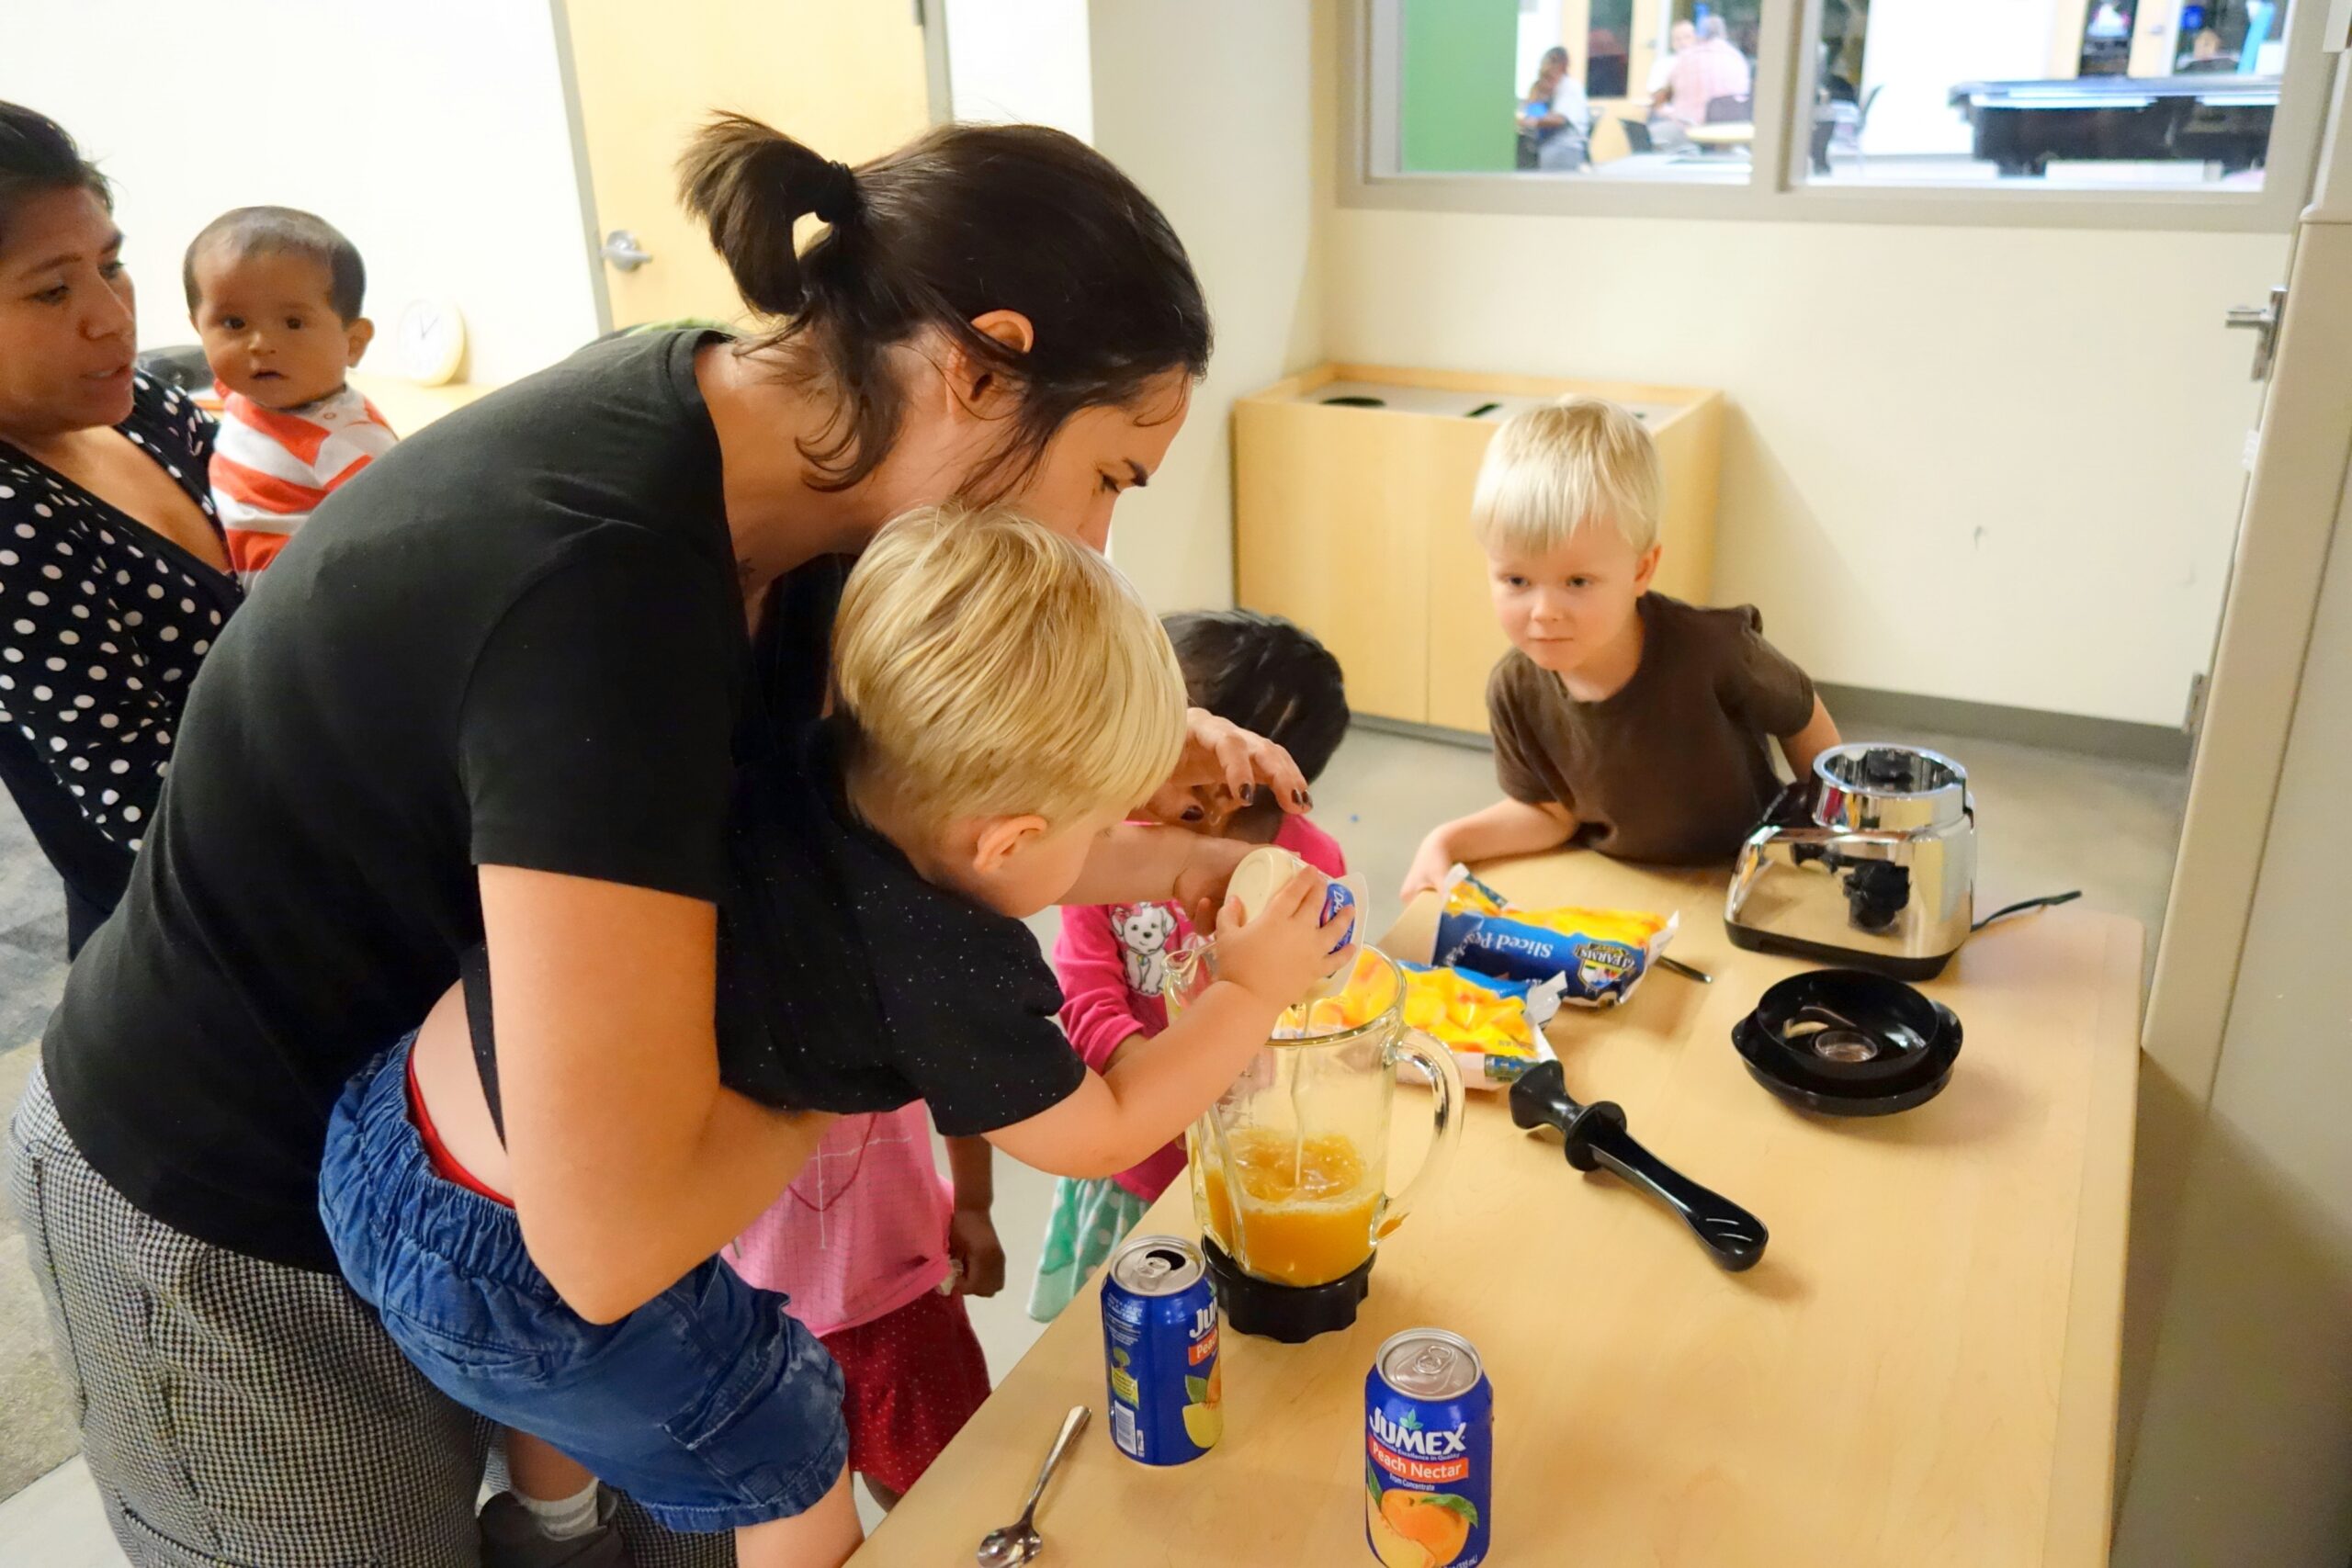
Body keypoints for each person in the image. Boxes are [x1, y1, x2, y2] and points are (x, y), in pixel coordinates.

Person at [10, 107, 1306, 1568]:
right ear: (973, 364)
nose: (1098, 547)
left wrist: (1114, 725)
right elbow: (610, 1238)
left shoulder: (768, 443)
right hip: (235, 1204)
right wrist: (887, 1032)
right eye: (1111, 478)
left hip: (471, 1139)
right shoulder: (606, 598)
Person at [321, 508, 1348, 1568]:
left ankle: (550, 1531)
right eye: (1105, 826)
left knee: (574, 1394)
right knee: (792, 1442)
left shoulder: (827, 755)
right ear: (1010, 838)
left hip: (391, 1131)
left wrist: (1180, 869)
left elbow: (1021, 858)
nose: (1120, 844)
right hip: (523, 1265)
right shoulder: (945, 961)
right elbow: (1102, 1129)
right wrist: (1249, 993)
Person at [1029, 608, 1350, 1320]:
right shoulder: (1100, 854)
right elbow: (1086, 998)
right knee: (1136, 1325)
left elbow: (1323, 1003)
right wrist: (1169, 1089)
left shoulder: (1306, 861)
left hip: (1254, 1152)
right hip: (1133, 1168)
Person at [1401, 398, 1840, 899]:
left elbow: (1800, 714)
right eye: (1517, 579)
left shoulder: (1716, 650)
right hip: (1621, 887)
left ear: (1641, 570)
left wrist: (1835, 828)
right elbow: (1551, 814)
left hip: (1747, 879)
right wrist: (1448, 840)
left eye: (1577, 581)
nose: (1543, 611)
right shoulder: (1513, 687)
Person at [0, 104, 240, 956]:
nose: (112, 316)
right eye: (53, 289)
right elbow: (151, 812)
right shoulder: (12, 522)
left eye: (113, 265)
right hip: (215, 956)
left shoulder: (139, 408)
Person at [185, 206, 397, 584]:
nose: (261, 345)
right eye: (234, 323)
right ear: (199, 329)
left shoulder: (344, 442)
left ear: (353, 342)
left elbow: (404, 525)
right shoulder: (248, 393)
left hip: (306, 602)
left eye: (293, 323)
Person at [1659, 16, 1752, 128]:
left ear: (1699, 36)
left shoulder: (1686, 59)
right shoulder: (1737, 58)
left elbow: (1666, 94)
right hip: (1732, 130)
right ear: (1724, 35)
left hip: (1690, 128)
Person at [1518, 46, 1591, 172]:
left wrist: (1531, 121)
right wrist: (1539, 90)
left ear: (1562, 65)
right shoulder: (1550, 88)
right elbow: (1533, 113)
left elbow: (1559, 120)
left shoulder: (1569, 87)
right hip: (1544, 144)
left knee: (1544, 155)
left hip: (1564, 146)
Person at [1646, 20, 1699, 106]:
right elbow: (1654, 94)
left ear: (1696, 39)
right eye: (1677, 39)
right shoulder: (1663, 64)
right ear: (1672, 43)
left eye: (1687, 37)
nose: (1683, 42)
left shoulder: (1703, 65)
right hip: (1668, 111)